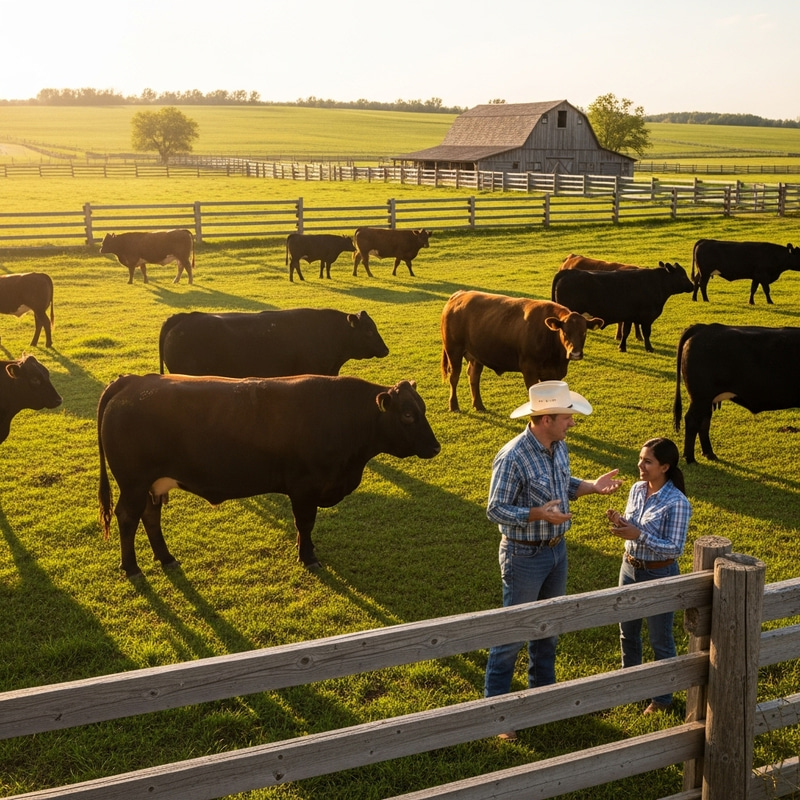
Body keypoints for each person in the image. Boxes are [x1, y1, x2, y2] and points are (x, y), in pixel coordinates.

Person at [484, 380, 623, 739]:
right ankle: (496, 714)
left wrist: (591, 486)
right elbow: (495, 509)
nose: (572, 423)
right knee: (512, 634)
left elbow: (562, 482)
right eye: (567, 418)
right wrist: (538, 515)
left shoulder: (557, 446)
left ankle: (542, 700)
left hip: (556, 552)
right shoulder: (512, 455)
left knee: (548, 630)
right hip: (524, 557)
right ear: (545, 419)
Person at [606, 437, 692, 715]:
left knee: (660, 638)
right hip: (629, 568)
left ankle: (662, 699)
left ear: (665, 466)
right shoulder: (636, 489)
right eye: (640, 458)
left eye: (647, 461)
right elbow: (636, 525)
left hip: (660, 573)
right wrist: (622, 523)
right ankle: (629, 686)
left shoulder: (678, 502)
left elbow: (675, 548)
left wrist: (638, 534)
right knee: (627, 631)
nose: (640, 465)